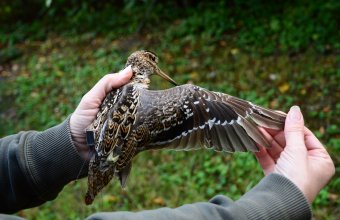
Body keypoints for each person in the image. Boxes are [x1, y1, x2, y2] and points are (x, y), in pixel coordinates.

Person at [0, 66, 335, 220]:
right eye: (153, 65)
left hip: (105, 148)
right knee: (197, 97)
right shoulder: (159, 93)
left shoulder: (122, 97)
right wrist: (281, 200)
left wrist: (72, 141)